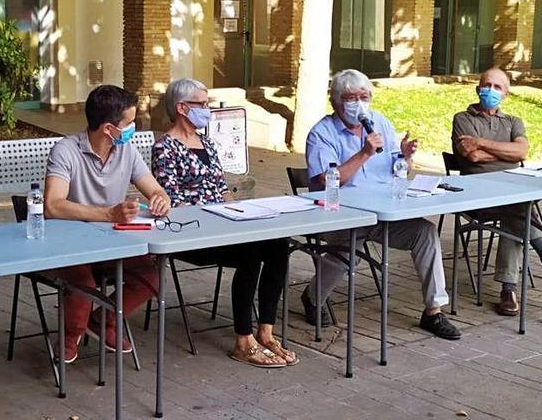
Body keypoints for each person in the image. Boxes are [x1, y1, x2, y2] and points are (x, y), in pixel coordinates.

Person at [304, 69, 460, 340]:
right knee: (347, 250)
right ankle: (313, 298)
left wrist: (405, 157)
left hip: (385, 210)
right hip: (343, 212)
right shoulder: (322, 133)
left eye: (364, 97)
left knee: (426, 233)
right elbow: (326, 180)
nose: (359, 104)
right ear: (336, 102)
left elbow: (397, 169)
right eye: (351, 98)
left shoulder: (380, 123)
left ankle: (434, 311)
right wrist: (364, 153)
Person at [152, 78, 297, 368]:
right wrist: (214, 206)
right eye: (201, 104)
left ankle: (265, 331)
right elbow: (173, 202)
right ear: (181, 108)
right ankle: (243, 341)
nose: (207, 110)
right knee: (250, 253)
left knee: (279, 245)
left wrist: (235, 204)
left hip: (225, 225)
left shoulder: (206, 142)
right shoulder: (164, 148)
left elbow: (220, 189)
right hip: (193, 234)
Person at [43, 84, 172, 363]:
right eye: (129, 123)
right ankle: (70, 335)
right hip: (69, 244)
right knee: (83, 283)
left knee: (152, 275)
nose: (133, 129)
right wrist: (107, 214)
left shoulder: (127, 151)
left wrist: (161, 199)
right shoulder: (65, 151)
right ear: (108, 128)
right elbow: (53, 205)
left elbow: (155, 190)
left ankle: (105, 319)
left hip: (114, 241)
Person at [452, 67, 542, 317]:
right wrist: (503, 150)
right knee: (521, 208)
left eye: (497, 87)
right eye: (486, 85)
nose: (490, 91)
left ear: (506, 94)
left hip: (513, 191)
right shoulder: (463, 118)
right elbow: (473, 156)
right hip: (476, 195)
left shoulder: (512, 121)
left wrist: (482, 142)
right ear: (477, 88)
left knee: (516, 208)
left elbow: (521, 152)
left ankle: (509, 291)